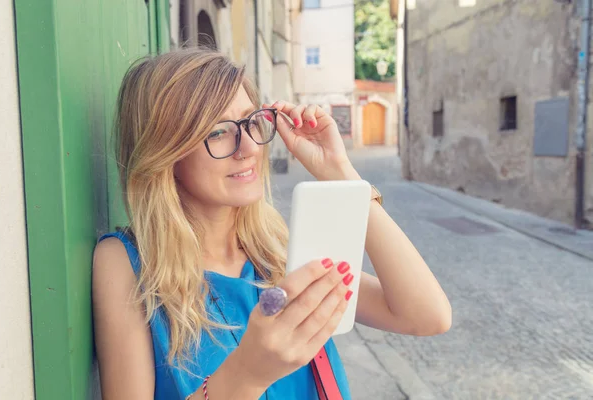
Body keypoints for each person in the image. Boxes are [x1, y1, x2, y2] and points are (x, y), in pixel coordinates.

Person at [92, 48, 452, 400]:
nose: (247, 145)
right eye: (218, 131)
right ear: (165, 152)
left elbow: (425, 316)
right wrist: (249, 372)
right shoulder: (128, 263)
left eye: (251, 122)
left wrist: (341, 175)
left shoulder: (276, 252)